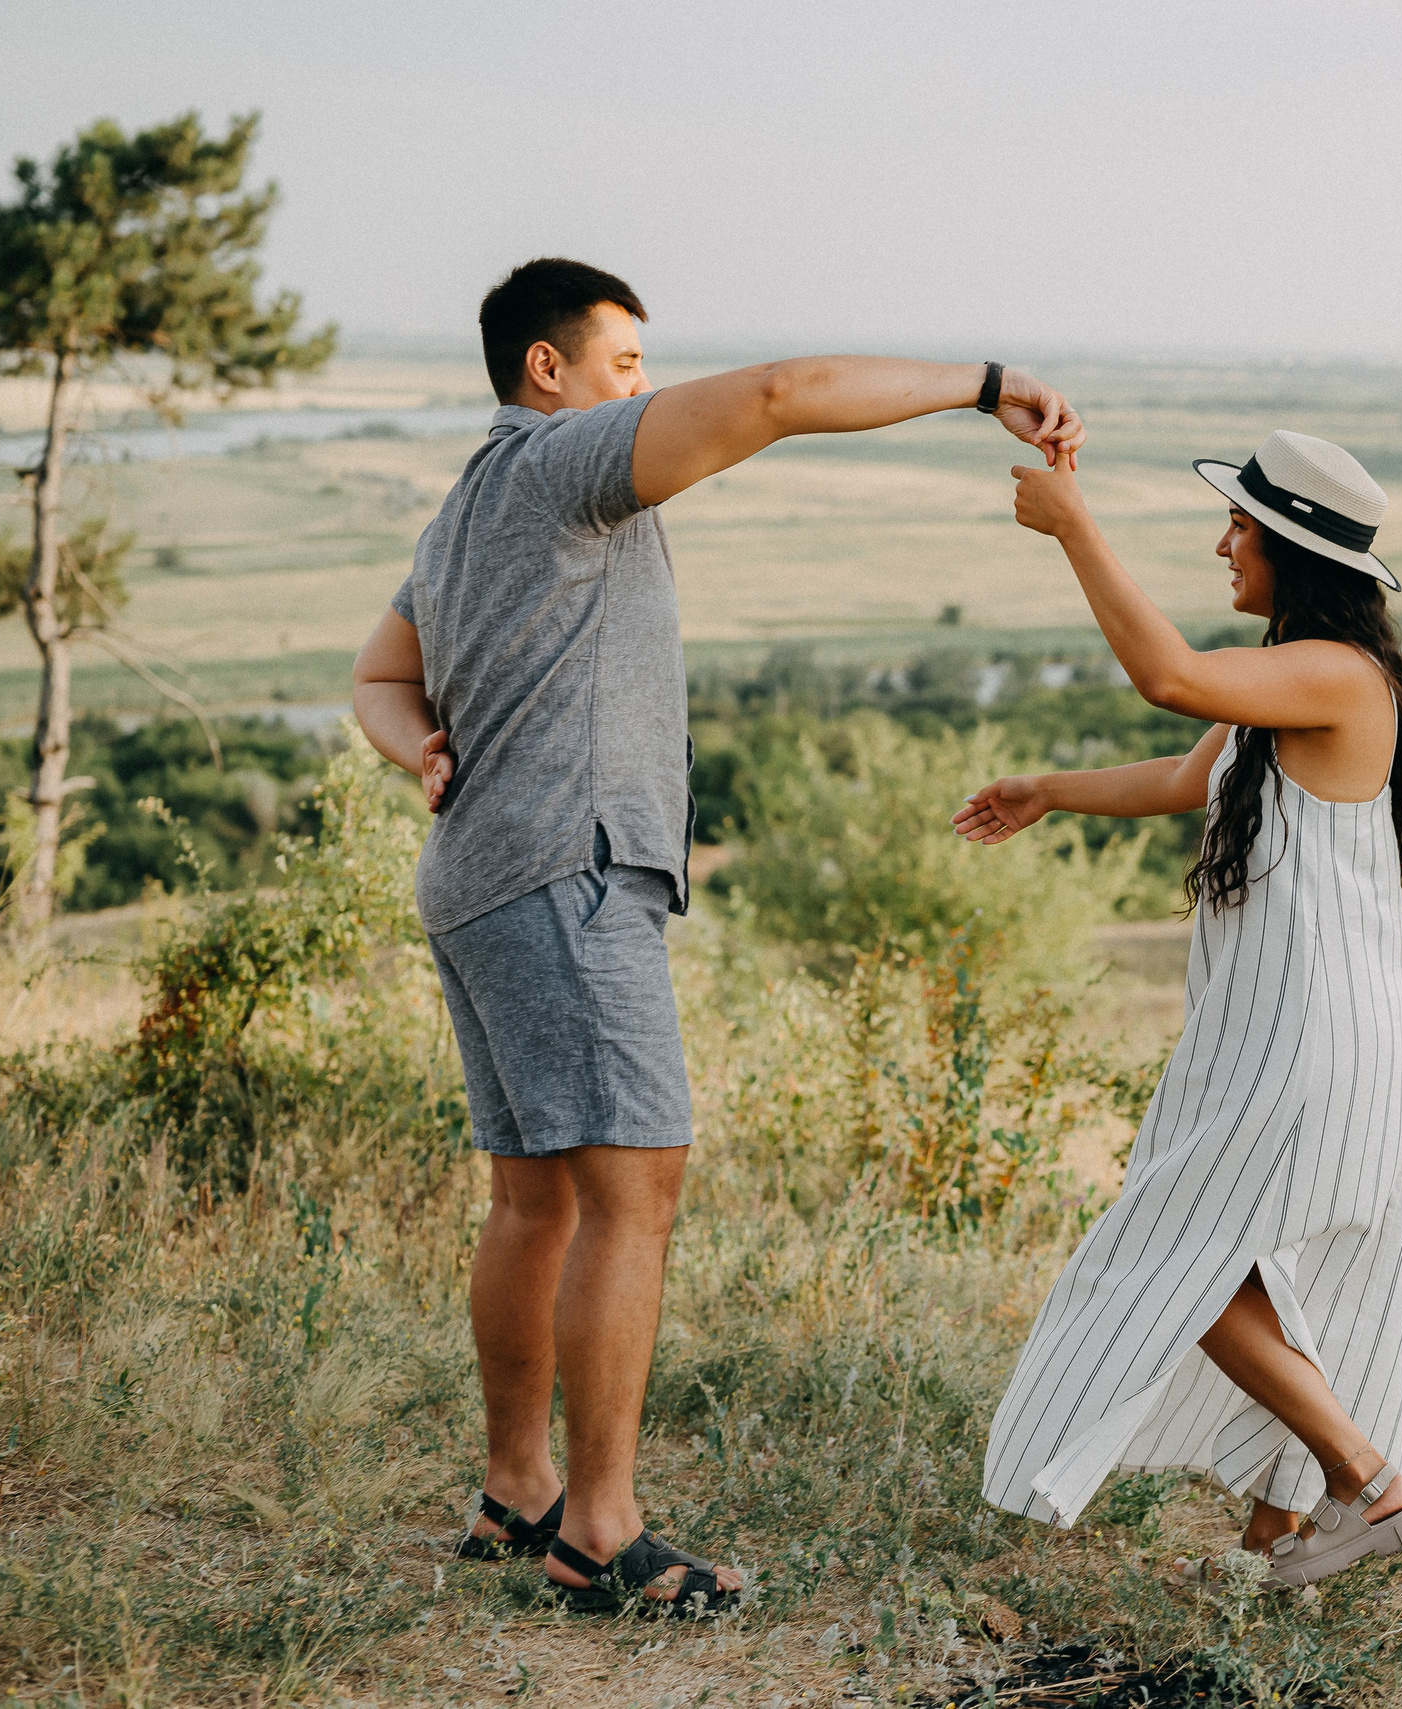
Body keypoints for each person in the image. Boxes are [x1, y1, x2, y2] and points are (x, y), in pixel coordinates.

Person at [352, 257, 1082, 1617]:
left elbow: (379, 674)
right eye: (626, 362)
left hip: (480, 875)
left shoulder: (466, 503)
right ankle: (599, 1531)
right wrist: (984, 384)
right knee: (635, 1187)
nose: (646, 387)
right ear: (548, 369)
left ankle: (517, 1490)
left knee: (534, 1198)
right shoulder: (564, 461)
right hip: (567, 870)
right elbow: (783, 393)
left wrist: (423, 752)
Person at [954, 430, 1402, 1588]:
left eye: (1239, 528)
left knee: (1183, 1249)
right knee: (1275, 1275)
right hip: (1289, 1029)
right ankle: (1279, 1538)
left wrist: (1075, 526)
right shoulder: (1295, 676)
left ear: (1291, 550)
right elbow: (1182, 775)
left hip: (1306, 1035)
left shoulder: (1336, 676)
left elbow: (1165, 675)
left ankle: (1366, 1481)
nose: (1223, 545)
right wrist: (1045, 791)